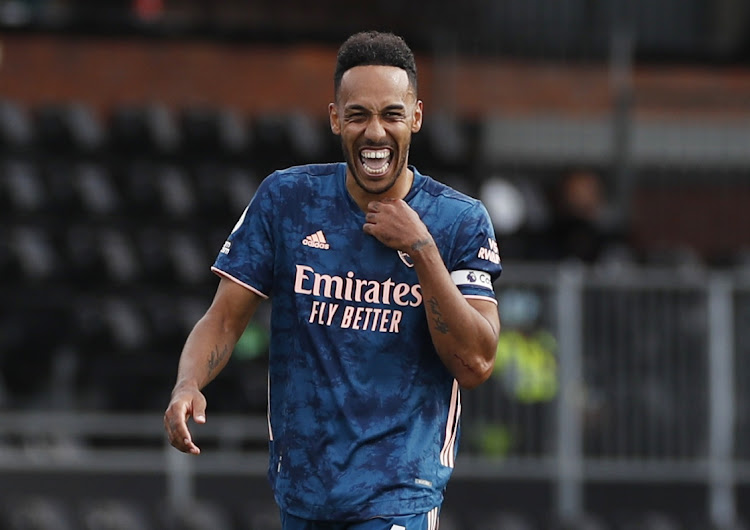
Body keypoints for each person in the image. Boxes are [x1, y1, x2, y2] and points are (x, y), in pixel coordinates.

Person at [164, 30, 503, 529]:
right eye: (358, 114)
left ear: (416, 117)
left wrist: (422, 249)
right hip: (302, 494)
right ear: (334, 118)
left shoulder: (458, 221)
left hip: (399, 496)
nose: (375, 132)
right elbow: (223, 318)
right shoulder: (287, 200)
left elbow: (476, 363)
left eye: (391, 114)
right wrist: (187, 383)